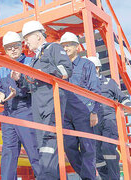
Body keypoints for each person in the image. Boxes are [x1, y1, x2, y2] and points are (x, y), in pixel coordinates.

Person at [13, 20, 72, 180]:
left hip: (52, 104)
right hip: (38, 107)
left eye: (27, 38)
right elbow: (29, 85)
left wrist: (41, 71)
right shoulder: (34, 60)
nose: (25, 43)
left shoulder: (54, 48)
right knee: (42, 146)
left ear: (38, 36)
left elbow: (66, 70)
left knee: (49, 143)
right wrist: (19, 79)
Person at [0, 31, 40, 180]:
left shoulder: (30, 63)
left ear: (22, 46)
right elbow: (1, 87)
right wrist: (0, 93)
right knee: (8, 153)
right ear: (5, 50)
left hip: (26, 109)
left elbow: (35, 87)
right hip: (8, 113)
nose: (12, 50)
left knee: (34, 150)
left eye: (15, 46)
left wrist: (18, 89)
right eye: (8, 48)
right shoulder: (3, 70)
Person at [60, 32, 101, 180]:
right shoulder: (60, 68)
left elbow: (95, 89)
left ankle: (89, 177)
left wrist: (94, 111)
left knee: (88, 148)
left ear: (77, 46)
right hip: (65, 114)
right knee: (69, 148)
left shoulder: (86, 64)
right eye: (63, 46)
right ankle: (87, 177)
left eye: (69, 45)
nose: (66, 48)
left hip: (84, 112)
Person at [88, 56, 131, 180]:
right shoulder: (85, 85)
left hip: (108, 119)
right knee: (96, 155)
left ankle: (114, 177)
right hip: (93, 121)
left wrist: (127, 106)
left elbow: (123, 98)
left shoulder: (109, 83)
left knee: (108, 148)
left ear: (97, 68)